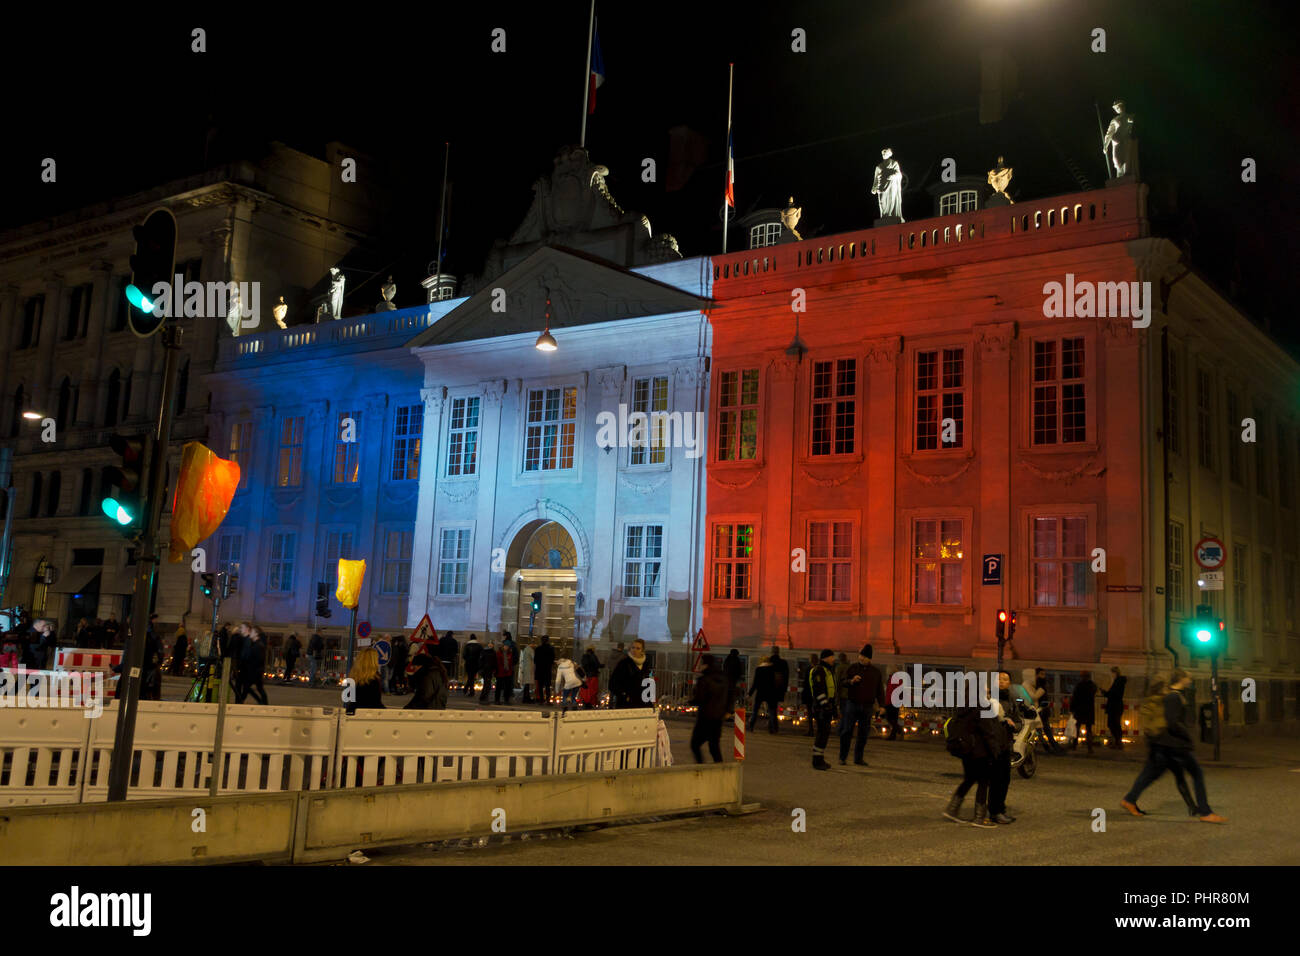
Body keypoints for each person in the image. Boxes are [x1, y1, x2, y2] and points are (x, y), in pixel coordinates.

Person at [1122, 669, 1226, 823]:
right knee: (1196, 774)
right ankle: (1205, 812)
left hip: (1163, 744)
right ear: (1181, 679)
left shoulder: (1170, 695)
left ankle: (1130, 799)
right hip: (1174, 744)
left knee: (1152, 774)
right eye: (1188, 678)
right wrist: (1186, 737)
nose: (1190, 680)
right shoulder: (1173, 697)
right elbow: (1172, 722)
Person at [1118, 679, 1197, 817]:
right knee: (1151, 776)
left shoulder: (1149, 702)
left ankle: (1192, 807)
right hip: (1164, 746)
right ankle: (1129, 800)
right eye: (1166, 687)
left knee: (1171, 774)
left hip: (1157, 744)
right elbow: (1170, 722)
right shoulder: (1162, 702)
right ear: (1162, 689)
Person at [943, 703, 998, 827]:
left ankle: (952, 809)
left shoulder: (965, 704)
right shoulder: (982, 706)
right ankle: (979, 817)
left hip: (965, 748)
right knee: (983, 781)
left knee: (969, 778)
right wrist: (995, 750)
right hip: (979, 749)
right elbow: (988, 730)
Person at [839, 644, 886, 765]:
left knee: (863, 734)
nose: (861, 658)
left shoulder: (875, 672)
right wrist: (851, 681)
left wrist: (882, 705)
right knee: (847, 731)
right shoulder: (852, 668)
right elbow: (842, 682)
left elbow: (879, 690)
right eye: (861, 655)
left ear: (870, 659)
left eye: (864, 657)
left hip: (867, 706)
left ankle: (858, 758)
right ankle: (842, 757)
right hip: (852, 704)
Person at [987, 671, 1018, 824]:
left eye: (1005, 679)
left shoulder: (1011, 699)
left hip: (1006, 743)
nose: (1001, 681)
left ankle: (1000, 808)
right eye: (998, 679)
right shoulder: (989, 698)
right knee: (996, 779)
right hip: (993, 744)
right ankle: (994, 811)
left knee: (1005, 778)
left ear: (1009, 683)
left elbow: (1018, 720)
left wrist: (1013, 724)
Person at [690, 655, 729, 763]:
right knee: (714, 746)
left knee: (695, 745)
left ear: (705, 664)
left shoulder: (704, 679)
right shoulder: (723, 678)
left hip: (705, 718)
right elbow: (729, 695)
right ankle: (720, 770)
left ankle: (701, 768)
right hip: (718, 718)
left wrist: (691, 701)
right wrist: (727, 710)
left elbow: (699, 698)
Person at [808, 649, 837, 769]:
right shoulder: (820, 670)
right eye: (832, 657)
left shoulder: (827, 670)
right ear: (825, 658)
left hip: (825, 707)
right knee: (822, 734)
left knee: (823, 733)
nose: (833, 659)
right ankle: (817, 761)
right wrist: (825, 705)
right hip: (821, 708)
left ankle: (819, 759)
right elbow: (819, 690)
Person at [610, 638, 652, 708]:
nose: (634, 650)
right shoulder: (624, 663)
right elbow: (612, 683)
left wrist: (649, 700)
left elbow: (647, 683)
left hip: (641, 703)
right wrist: (624, 695)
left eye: (638, 648)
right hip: (625, 703)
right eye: (633, 648)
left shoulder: (645, 665)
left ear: (642, 651)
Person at [1034, 667, 1065, 754]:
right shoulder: (1038, 685)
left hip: (1043, 710)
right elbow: (1036, 697)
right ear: (1036, 675)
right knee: (1040, 731)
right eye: (1041, 674)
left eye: (1044, 674)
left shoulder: (1042, 685)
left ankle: (1053, 746)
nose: (1043, 676)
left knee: (1045, 730)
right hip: (1039, 710)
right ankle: (1049, 746)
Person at [345, 647, 385, 715]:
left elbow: (349, 698)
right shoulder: (373, 681)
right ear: (372, 662)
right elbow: (375, 703)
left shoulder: (354, 678)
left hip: (352, 713)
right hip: (366, 716)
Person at [236, 626, 268, 704]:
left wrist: (249, 666)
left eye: (252, 632)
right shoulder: (255, 644)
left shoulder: (258, 645)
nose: (250, 633)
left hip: (255, 671)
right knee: (256, 688)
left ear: (256, 634)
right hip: (255, 671)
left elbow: (258, 660)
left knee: (247, 687)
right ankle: (263, 702)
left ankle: (241, 702)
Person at [748, 656, 779, 733]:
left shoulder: (759, 669)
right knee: (771, 711)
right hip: (770, 692)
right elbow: (774, 682)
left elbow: (755, 682)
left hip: (760, 692)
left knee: (755, 710)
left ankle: (751, 726)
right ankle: (772, 728)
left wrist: (750, 693)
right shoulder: (772, 669)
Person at [1070, 671, 1098, 753]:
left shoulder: (1079, 686)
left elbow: (1075, 697)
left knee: (1077, 728)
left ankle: (1074, 745)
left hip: (1079, 709)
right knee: (1088, 729)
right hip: (1089, 710)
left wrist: (1072, 708)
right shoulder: (1092, 686)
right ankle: (1090, 747)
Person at [1103, 666, 1127, 749]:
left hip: (1115, 706)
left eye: (1112, 673)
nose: (1111, 675)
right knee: (1112, 724)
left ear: (1115, 673)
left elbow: (1114, 694)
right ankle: (1117, 741)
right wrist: (1106, 693)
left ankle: (1118, 742)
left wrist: (1107, 693)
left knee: (1114, 724)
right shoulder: (1117, 682)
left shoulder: (1118, 682)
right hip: (1115, 706)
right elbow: (1112, 693)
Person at [533, 635, 556, 705]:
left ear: (541, 641)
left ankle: (541, 700)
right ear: (548, 640)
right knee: (547, 686)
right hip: (547, 670)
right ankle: (548, 700)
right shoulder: (551, 649)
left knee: (540, 686)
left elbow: (535, 660)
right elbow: (552, 660)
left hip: (539, 670)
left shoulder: (538, 649)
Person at [800, 653, 819, 736]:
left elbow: (806, 683)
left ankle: (811, 730)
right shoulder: (819, 669)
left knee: (810, 713)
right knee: (816, 712)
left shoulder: (808, 669)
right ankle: (819, 730)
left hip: (809, 694)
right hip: (817, 694)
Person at [722, 648, 743, 716]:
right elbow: (739, 671)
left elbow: (724, 669)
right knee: (731, 697)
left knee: (726, 697)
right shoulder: (736, 660)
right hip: (733, 682)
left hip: (726, 681)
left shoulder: (727, 659)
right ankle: (730, 711)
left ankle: (725, 711)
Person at [884, 670, 905, 740]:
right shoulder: (895, 679)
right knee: (893, 719)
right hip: (893, 701)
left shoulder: (893, 679)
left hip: (891, 701)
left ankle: (897, 730)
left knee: (889, 718)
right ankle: (893, 735)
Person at [494, 635, 515, 704]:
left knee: (507, 687)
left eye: (507, 646)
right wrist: (496, 671)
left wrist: (511, 670)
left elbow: (511, 662)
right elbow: (497, 662)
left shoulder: (510, 653)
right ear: (503, 646)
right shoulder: (499, 653)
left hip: (508, 672)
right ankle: (497, 700)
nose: (506, 647)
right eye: (505, 646)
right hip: (500, 672)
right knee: (499, 687)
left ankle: (506, 700)